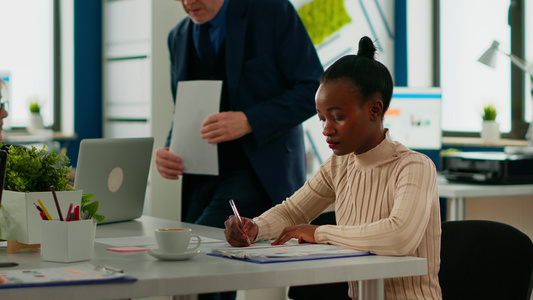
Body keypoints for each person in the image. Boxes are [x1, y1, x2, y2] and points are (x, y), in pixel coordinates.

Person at [224, 36, 443, 300]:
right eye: (322, 118)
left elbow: (399, 237)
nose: (327, 129)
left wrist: (319, 232)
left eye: (338, 117)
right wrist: (255, 227)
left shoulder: (414, 166)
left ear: (374, 110)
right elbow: (293, 211)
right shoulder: (340, 165)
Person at [155, 0, 323, 230]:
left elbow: (312, 90)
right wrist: (170, 149)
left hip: (260, 174)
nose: (188, 2)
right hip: (200, 178)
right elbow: (185, 108)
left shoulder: (273, 11)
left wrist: (249, 120)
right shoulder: (177, 36)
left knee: (200, 249)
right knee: (184, 251)